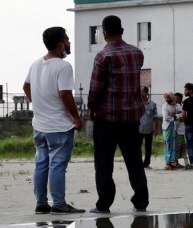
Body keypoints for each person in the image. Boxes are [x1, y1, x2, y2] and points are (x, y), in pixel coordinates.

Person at [87, 15, 149, 213]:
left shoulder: (103, 56)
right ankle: (140, 201)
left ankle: (104, 203)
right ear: (122, 31)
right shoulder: (137, 53)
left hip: (107, 117)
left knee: (104, 163)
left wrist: (92, 108)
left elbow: (96, 87)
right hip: (131, 116)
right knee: (134, 160)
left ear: (104, 33)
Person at [24, 26, 85, 214]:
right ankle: (59, 203)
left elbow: (26, 87)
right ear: (60, 45)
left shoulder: (35, 64)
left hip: (40, 125)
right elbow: (65, 93)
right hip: (59, 125)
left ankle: (41, 203)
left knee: (41, 163)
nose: (69, 43)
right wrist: (76, 117)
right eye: (67, 40)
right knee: (57, 164)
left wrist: (40, 103)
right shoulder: (63, 66)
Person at [138, 88, 157, 169]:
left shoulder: (152, 104)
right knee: (137, 147)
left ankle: (146, 163)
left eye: (142, 91)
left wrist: (156, 128)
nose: (140, 93)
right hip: (138, 129)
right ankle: (138, 163)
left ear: (146, 93)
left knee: (148, 147)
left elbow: (155, 117)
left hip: (148, 129)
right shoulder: (137, 103)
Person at [162, 92, 180, 170]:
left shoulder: (176, 105)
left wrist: (176, 116)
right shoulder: (164, 106)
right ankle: (167, 163)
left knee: (173, 145)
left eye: (168, 97)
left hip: (174, 128)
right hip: (167, 127)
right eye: (165, 97)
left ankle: (171, 162)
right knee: (167, 145)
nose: (166, 99)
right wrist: (175, 118)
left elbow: (181, 113)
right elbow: (166, 117)